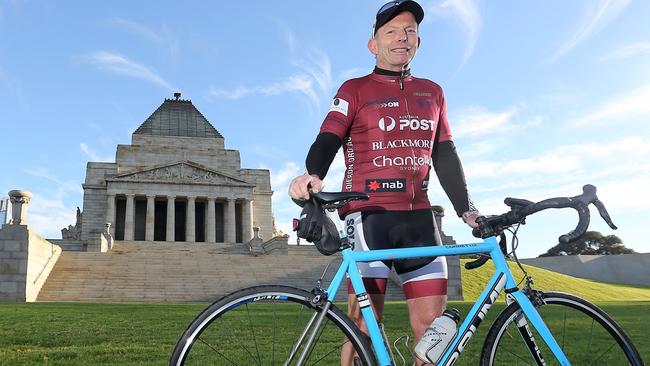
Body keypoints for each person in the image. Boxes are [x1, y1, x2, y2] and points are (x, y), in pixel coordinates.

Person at [288, 1, 479, 364]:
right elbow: (328, 137)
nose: (401, 38)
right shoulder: (354, 88)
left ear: (418, 42)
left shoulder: (434, 92)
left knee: (433, 334)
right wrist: (314, 172)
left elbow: (445, 155)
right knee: (363, 327)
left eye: (409, 32)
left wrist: (466, 210)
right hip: (368, 216)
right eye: (391, 31)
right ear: (373, 45)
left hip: (420, 221)